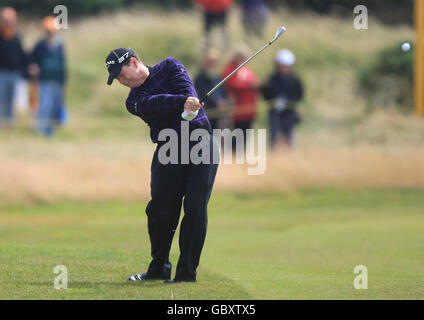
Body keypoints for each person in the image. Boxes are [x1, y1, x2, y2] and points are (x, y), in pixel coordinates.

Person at [105, 48, 219, 283]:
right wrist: (182, 103)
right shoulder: (133, 101)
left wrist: (188, 102)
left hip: (200, 141)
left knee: (196, 207)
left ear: (134, 62)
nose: (122, 81)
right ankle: (159, 268)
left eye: (122, 74)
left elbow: (186, 88)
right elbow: (155, 104)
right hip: (169, 148)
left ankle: (186, 274)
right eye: (117, 79)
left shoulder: (170, 66)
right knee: (159, 210)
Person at [29, 16, 67, 137]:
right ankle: (42, 131)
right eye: (48, 30)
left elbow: (62, 65)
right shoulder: (39, 45)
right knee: (45, 106)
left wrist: (64, 82)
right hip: (44, 81)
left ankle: (52, 131)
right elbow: (31, 60)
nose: (50, 33)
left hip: (57, 81)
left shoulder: (60, 45)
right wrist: (33, 67)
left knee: (56, 106)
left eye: (52, 30)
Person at [262, 49, 303, 149]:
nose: (283, 68)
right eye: (281, 65)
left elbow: (299, 94)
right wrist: (272, 101)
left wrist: (290, 102)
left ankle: (289, 151)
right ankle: (273, 150)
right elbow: (265, 93)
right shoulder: (271, 78)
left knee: (289, 132)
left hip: (289, 111)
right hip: (274, 111)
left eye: (285, 66)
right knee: (274, 132)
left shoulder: (295, 79)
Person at [222, 47, 259, 150]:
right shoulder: (230, 68)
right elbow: (232, 84)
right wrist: (249, 85)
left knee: (245, 134)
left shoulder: (246, 69)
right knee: (237, 133)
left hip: (249, 108)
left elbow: (254, 81)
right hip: (236, 108)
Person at [0, 7, 28, 129]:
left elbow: (22, 55)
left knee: (13, 101)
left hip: (15, 74)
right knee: (1, 100)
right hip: (1, 73)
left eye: (10, 20)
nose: (8, 23)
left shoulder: (17, 36)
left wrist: (25, 71)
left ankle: (10, 125)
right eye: (5, 20)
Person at [194, 48, 226, 130]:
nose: (213, 64)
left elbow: (221, 90)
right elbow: (204, 92)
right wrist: (217, 102)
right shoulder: (200, 77)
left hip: (218, 112)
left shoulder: (217, 75)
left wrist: (222, 101)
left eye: (215, 61)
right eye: (211, 61)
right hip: (206, 111)